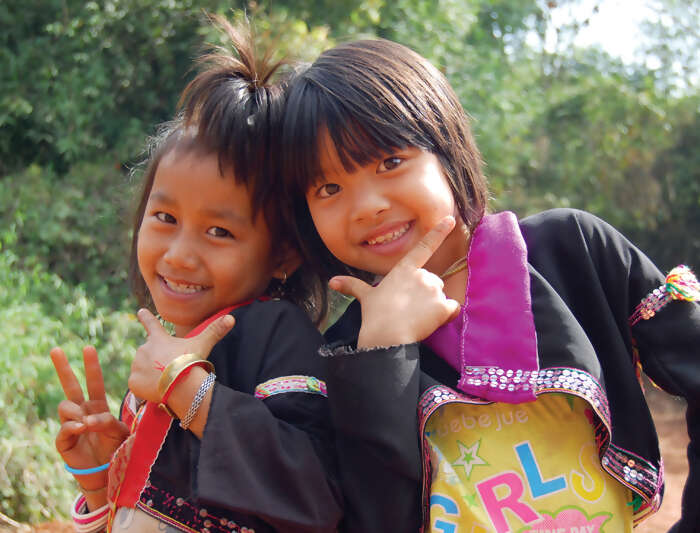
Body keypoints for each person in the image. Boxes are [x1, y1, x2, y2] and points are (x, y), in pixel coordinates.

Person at [280, 38, 700, 532]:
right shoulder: (346, 351)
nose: (367, 205)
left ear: (446, 147)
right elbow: (376, 515)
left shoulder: (573, 250)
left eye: (390, 162)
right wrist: (381, 356)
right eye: (329, 188)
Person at [51, 17, 342, 533]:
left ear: (283, 254)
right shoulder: (161, 355)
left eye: (219, 232)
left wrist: (188, 391)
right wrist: (100, 479)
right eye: (165, 218)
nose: (180, 255)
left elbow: (315, 490)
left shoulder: (275, 333)